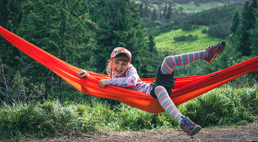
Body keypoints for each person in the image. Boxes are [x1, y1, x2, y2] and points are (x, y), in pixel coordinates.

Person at [77, 41, 225, 136]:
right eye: (117, 63)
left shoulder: (129, 71)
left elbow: (131, 81)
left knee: (167, 61)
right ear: (111, 62)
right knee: (160, 89)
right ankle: (183, 121)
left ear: (128, 65)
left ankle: (207, 54)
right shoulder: (110, 79)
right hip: (155, 93)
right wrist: (86, 75)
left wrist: (109, 83)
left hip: (151, 89)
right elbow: (98, 81)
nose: (120, 67)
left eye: (124, 64)